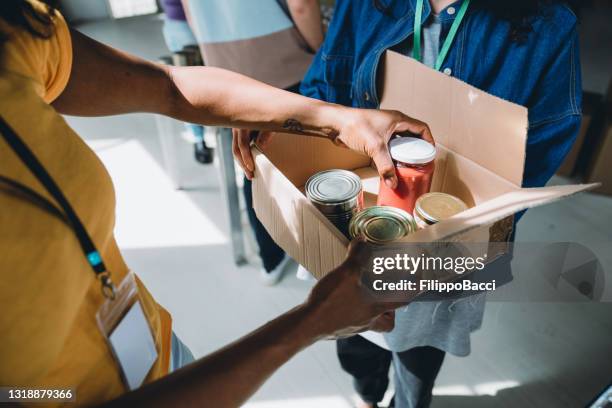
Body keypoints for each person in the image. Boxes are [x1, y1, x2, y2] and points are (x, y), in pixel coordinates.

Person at [0, 1, 435, 406]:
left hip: (163, 354)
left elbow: (168, 86)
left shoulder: (14, 33)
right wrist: (313, 321)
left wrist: (332, 117)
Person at [296, 0, 583, 407]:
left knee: (421, 354)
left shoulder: (548, 22)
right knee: (355, 338)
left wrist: (478, 218)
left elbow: (544, 141)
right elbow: (326, 84)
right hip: (365, 214)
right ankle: (367, 393)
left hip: (458, 232)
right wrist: (290, 128)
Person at [183, 0, 324, 285]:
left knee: (251, 164)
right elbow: (301, 5)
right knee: (309, 161)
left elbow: (189, 9)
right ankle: (315, 256)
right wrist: (321, 50)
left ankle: (269, 258)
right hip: (283, 57)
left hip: (223, 64)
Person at [160, 0, 213, 164]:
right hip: (191, 24)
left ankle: (199, 140)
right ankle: (201, 138)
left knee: (187, 85)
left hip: (176, 23)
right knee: (197, 84)